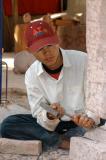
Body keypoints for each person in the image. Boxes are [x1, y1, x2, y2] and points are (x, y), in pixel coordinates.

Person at [1, 20, 101, 150]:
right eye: (39, 49)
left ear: (57, 40)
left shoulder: (83, 60)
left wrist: (90, 118)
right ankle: (63, 142)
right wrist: (50, 115)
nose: (46, 53)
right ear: (30, 51)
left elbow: (98, 97)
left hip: (83, 123)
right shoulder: (31, 74)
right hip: (54, 126)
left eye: (49, 45)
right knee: (9, 124)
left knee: (102, 122)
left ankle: (55, 140)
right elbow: (38, 110)